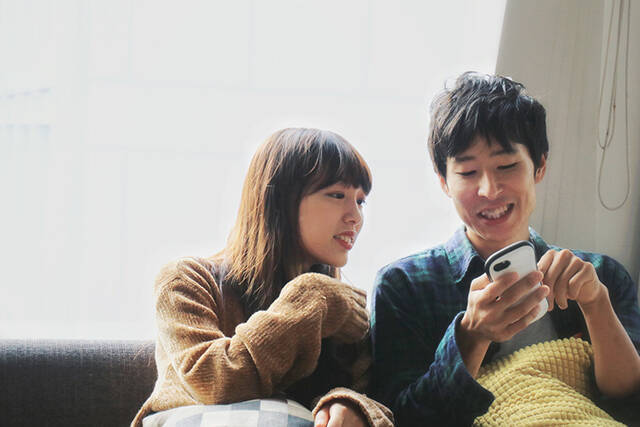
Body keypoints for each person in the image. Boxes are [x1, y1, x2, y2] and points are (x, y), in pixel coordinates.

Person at [370, 72, 640, 426]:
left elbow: (628, 399)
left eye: (507, 166)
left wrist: (596, 304)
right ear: (443, 181)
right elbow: (400, 418)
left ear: (539, 166)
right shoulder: (403, 286)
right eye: (468, 172)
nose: (489, 189)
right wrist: (471, 336)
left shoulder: (602, 275)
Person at [133, 128, 393, 427]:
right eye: (337, 195)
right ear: (280, 199)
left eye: (360, 201)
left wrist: (347, 404)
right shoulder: (186, 281)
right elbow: (214, 382)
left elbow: (377, 396)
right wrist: (311, 297)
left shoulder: (338, 306)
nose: (355, 217)